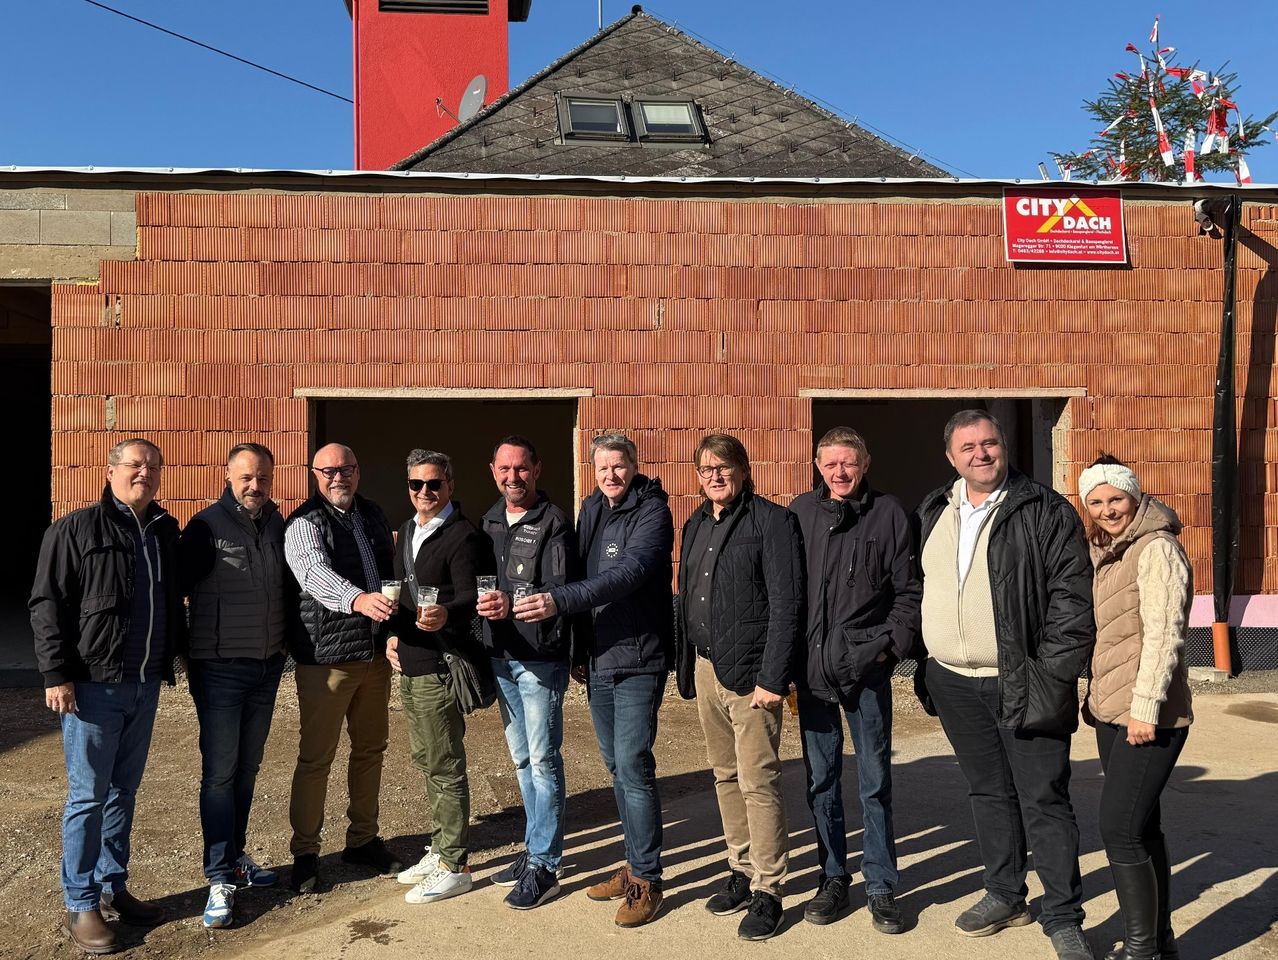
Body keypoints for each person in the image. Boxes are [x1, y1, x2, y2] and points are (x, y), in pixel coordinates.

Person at [915, 409, 1096, 960]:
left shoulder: (1043, 509)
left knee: (1043, 798)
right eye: (967, 447)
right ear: (951, 457)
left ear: (1004, 445)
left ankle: (1063, 916)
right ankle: (1005, 894)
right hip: (952, 680)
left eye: (989, 442)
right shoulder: (934, 509)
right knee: (988, 792)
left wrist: (1053, 672)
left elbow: (1072, 598)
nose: (981, 454)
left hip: (1023, 679)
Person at [31, 438, 184, 955]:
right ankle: (80, 901)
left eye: (154, 466)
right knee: (88, 797)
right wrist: (56, 674)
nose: (145, 473)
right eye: (135, 464)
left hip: (144, 683)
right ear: (112, 470)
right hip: (93, 686)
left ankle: (113, 885)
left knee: (123, 792)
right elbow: (46, 604)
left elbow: (171, 599)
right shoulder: (75, 529)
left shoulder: (163, 530)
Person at [514, 433, 673, 928]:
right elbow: (581, 571)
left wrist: (558, 602)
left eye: (619, 466)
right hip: (601, 658)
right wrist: (579, 648)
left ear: (634, 466)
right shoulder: (592, 508)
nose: (611, 475)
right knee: (616, 767)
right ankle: (633, 863)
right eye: (603, 467)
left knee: (633, 765)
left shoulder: (653, 511)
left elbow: (629, 573)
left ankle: (647, 879)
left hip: (640, 657)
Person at [788, 427, 920, 934]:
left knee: (874, 781)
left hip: (866, 672)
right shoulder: (800, 513)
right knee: (821, 781)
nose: (839, 472)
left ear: (865, 464)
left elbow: (908, 591)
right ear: (817, 466)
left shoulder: (889, 513)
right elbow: (787, 591)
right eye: (830, 464)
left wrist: (887, 649)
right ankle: (832, 877)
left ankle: (881, 883)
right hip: (812, 673)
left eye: (849, 463)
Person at [679, 434, 803, 941]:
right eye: (705, 469)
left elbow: (787, 605)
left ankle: (769, 888)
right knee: (725, 776)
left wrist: (773, 678)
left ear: (744, 470)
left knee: (759, 781)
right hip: (707, 668)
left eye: (723, 467)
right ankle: (741, 868)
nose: (714, 476)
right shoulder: (695, 523)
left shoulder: (772, 522)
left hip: (753, 677)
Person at [1079, 456, 1193, 960]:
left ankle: (1141, 949)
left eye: (1116, 499)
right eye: (1096, 502)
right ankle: (1160, 942)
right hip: (1113, 710)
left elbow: (1165, 635)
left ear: (1135, 496)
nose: (1107, 510)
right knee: (1142, 826)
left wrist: (1144, 708)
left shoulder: (1156, 548)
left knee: (1119, 829)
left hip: (1148, 716)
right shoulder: (1110, 550)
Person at [180, 443, 288, 928]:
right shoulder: (205, 527)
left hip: (266, 668)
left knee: (247, 771)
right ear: (228, 476)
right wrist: (188, 656)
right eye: (246, 477)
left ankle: (236, 856)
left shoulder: (277, 525)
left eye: (262, 477)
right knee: (220, 775)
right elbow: (175, 590)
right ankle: (218, 876)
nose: (254, 486)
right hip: (220, 669)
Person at [284, 442, 399, 893]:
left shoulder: (373, 515)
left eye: (346, 469)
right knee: (316, 758)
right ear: (314, 475)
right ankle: (305, 853)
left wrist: (395, 629)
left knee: (370, 751)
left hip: (373, 656)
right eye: (328, 471)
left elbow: (390, 572)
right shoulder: (304, 523)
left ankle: (363, 840)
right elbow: (313, 574)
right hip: (327, 661)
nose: (339, 477)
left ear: (358, 471)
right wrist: (357, 600)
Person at [384, 449, 493, 905]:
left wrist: (447, 612)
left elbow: (476, 595)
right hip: (409, 660)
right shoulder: (408, 529)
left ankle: (455, 864)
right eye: (416, 484)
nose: (424, 492)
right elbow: (399, 589)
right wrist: (392, 635)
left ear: (450, 485)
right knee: (426, 759)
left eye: (434, 484)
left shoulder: (464, 535)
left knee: (445, 762)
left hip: (439, 664)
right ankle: (440, 848)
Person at [476, 436, 578, 910]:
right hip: (500, 656)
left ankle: (546, 865)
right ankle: (533, 849)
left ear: (537, 469)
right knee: (521, 760)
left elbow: (559, 587)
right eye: (504, 469)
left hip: (539, 658)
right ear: (493, 471)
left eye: (521, 468)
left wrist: (511, 602)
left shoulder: (554, 522)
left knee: (543, 759)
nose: (512, 476)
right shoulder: (489, 521)